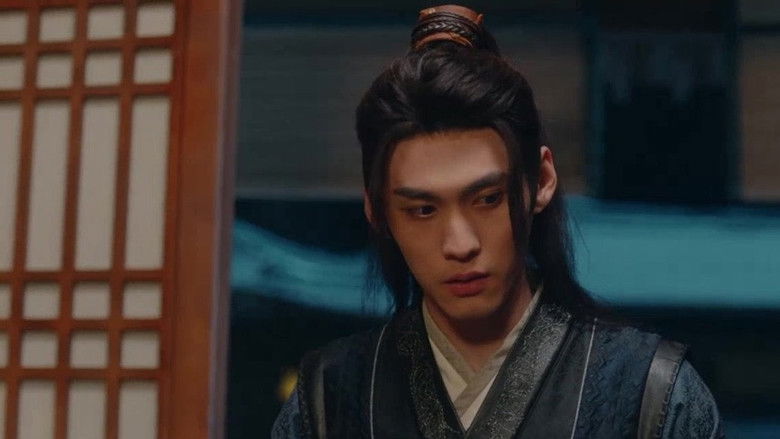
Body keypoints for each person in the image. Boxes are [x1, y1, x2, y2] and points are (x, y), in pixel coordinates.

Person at [272, 5, 723, 438]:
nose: (460, 244)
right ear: (377, 211)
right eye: (423, 210)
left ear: (541, 181)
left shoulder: (652, 395)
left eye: (487, 199)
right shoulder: (328, 402)